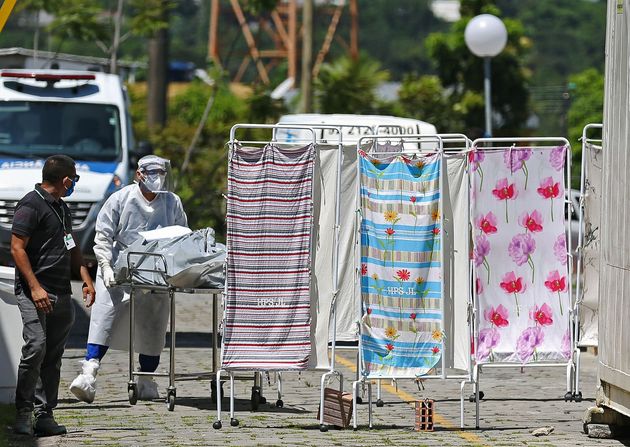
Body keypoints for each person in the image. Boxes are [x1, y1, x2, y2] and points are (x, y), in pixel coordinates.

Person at [69, 155, 187, 404]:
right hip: (120, 267)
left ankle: (146, 378)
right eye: (152, 173)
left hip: (156, 271)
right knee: (105, 316)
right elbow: (102, 236)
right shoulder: (120, 199)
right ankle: (88, 373)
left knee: (154, 324)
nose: (157, 178)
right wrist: (106, 266)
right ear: (139, 175)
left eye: (161, 173)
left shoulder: (172, 202)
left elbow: (182, 236)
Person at [11, 154, 96, 437]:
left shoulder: (62, 208)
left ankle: (44, 414)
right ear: (66, 180)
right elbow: (17, 249)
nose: (74, 185)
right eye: (75, 179)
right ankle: (23, 412)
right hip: (35, 291)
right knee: (36, 346)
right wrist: (35, 287)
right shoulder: (30, 204)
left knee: (53, 356)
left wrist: (85, 279)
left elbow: (71, 245)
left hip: (61, 292)